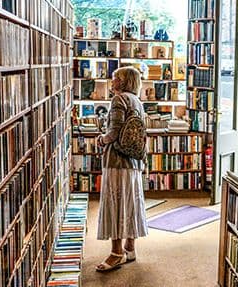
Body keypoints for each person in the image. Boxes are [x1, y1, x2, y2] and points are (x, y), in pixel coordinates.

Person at [95, 66, 148, 271]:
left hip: (117, 161)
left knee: (114, 204)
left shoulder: (118, 100)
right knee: (131, 203)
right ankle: (130, 247)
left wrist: (101, 139)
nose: (112, 79)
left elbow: (114, 133)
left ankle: (116, 253)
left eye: (116, 77)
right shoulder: (137, 101)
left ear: (124, 81)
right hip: (133, 160)